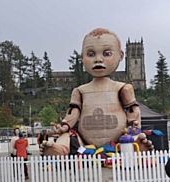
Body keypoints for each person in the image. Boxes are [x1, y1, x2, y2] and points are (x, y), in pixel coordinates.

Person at [40, 28, 153, 156]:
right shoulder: (80, 90)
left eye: (107, 53)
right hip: (84, 140)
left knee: (130, 137)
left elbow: (132, 110)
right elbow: (73, 112)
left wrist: (134, 124)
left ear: (121, 56)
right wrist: (65, 125)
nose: (98, 59)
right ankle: (61, 149)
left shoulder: (123, 88)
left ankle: (136, 144)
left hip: (119, 139)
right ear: (82, 57)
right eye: (91, 54)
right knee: (68, 136)